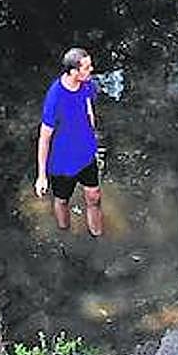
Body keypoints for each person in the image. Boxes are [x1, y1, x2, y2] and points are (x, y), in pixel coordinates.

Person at [34, 47, 103, 236]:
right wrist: (41, 176)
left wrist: (92, 132)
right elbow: (44, 138)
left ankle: (97, 235)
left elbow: (89, 106)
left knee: (94, 196)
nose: (91, 70)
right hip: (63, 162)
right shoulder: (55, 98)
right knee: (62, 200)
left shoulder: (87, 84)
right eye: (87, 67)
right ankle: (65, 233)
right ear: (73, 71)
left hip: (86, 153)